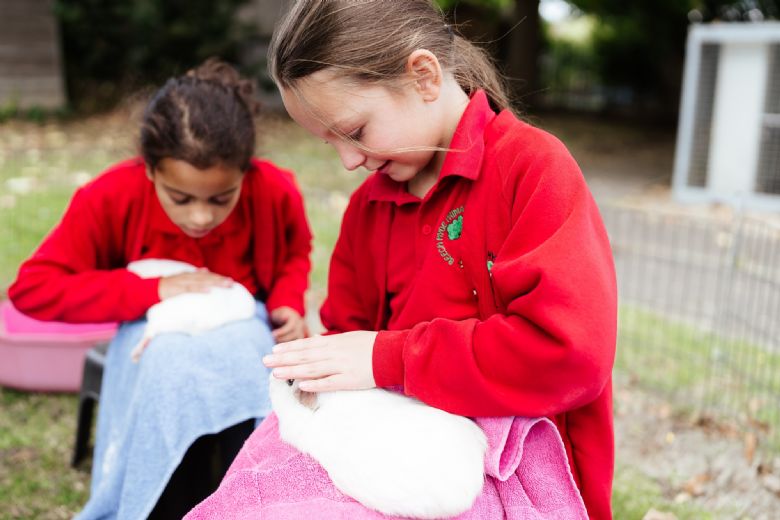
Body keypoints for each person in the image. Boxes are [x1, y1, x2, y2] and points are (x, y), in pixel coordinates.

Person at [256, 1, 617, 519]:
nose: (349, 160)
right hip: (394, 451)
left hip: (516, 471)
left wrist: (390, 359)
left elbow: (569, 356)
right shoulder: (369, 206)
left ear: (424, 76)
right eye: (329, 142)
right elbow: (348, 341)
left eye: (354, 131)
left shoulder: (532, 170)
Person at [8, 58, 312, 519]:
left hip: (244, 333)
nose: (200, 218)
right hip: (154, 340)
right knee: (171, 370)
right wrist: (153, 290)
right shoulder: (110, 196)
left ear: (244, 175)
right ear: (150, 171)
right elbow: (33, 288)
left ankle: (244, 499)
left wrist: (287, 303)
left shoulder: (273, 190)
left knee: (246, 370)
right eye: (181, 198)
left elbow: (295, 251)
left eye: (220, 198)